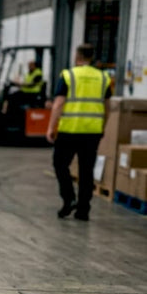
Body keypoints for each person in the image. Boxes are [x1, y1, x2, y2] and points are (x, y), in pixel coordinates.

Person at [46, 43, 112, 221]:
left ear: (78, 57)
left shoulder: (69, 75)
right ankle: (83, 210)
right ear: (91, 57)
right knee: (86, 170)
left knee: (60, 164)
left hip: (70, 129)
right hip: (92, 131)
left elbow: (59, 104)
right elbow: (107, 107)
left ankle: (69, 199)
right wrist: (103, 127)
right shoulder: (103, 77)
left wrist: (51, 127)